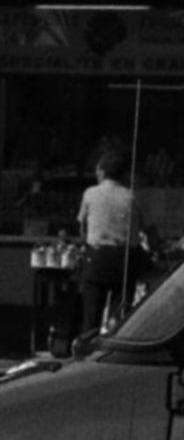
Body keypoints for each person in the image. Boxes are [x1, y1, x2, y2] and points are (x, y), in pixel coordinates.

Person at [77, 143, 138, 334]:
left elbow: (82, 228)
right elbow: (146, 229)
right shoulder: (131, 197)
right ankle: (115, 344)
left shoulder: (90, 193)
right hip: (123, 260)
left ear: (102, 172)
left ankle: (88, 344)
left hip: (96, 259)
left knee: (91, 314)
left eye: (97, 170)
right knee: (119, 317)